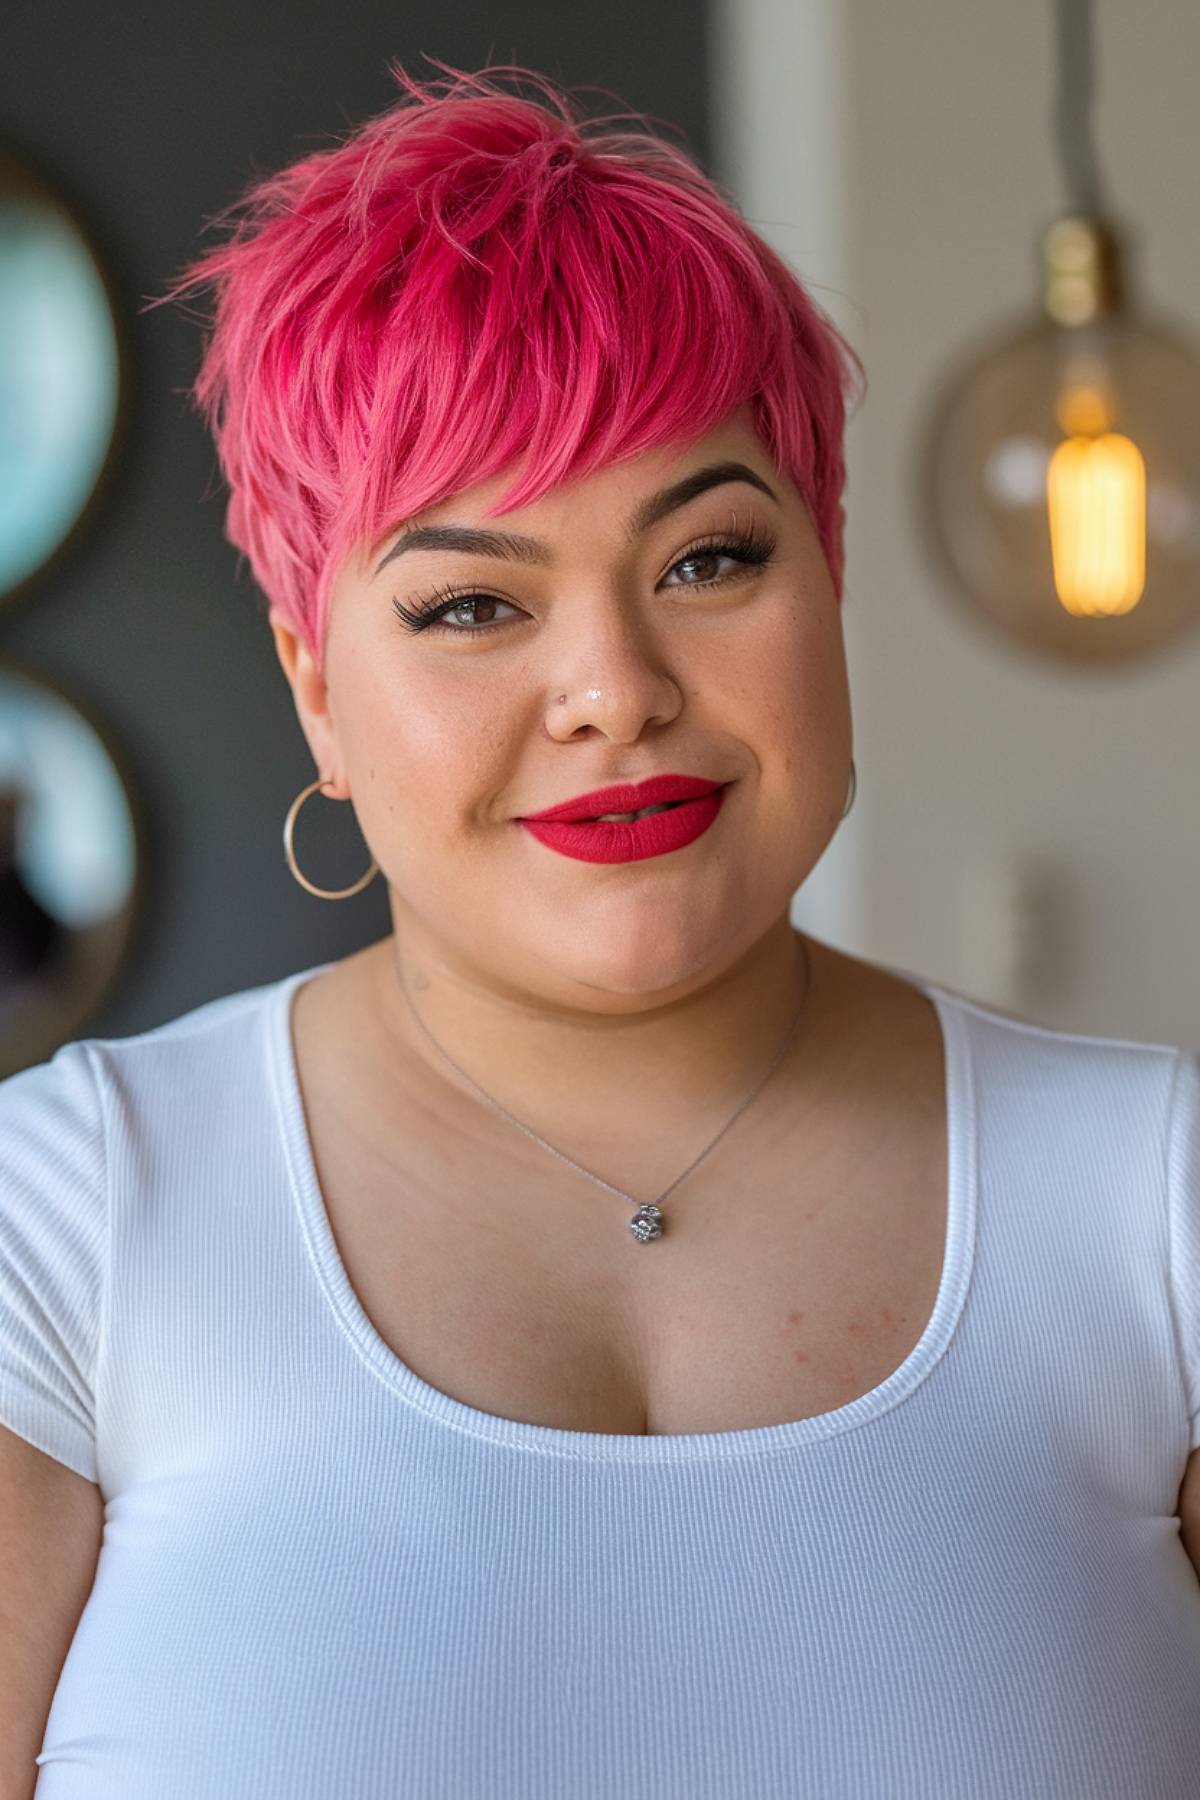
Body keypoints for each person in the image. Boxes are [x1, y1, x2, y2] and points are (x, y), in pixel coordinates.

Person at [2, 57, 1199, 1800]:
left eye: (708, 560)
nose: (614, 694)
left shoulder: (1157, 1197)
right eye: (474, 603)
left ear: (831, 574)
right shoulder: (64, 1224)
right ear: (316, 688)